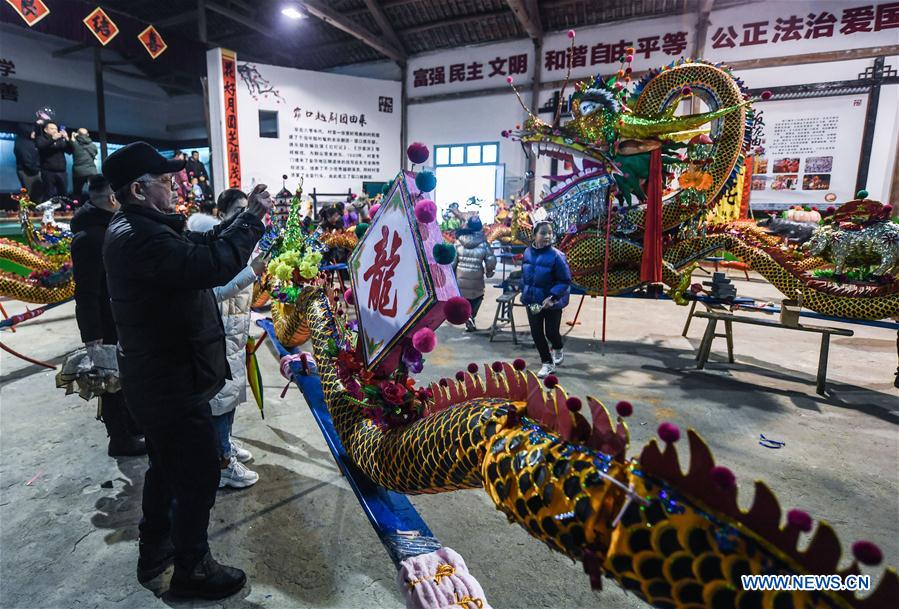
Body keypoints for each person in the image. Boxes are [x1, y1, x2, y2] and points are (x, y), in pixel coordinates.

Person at [102, 142, 269, 599]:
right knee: (196, 477)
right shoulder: (142, 237)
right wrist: (252, 219)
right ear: (138, 189)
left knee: (166, 470)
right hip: (170, 384)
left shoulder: (145, 227)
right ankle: (192, 568)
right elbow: (211, 263)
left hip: (162, 380)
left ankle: (155, 549)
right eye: (165, 180)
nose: (175, 184)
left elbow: (205, 243)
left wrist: (242, 221)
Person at [70, 175, 146, 457]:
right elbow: (86, 293)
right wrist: (92, 336)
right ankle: (119, 438)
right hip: (104, 321)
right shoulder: (89, 237)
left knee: (123, 378)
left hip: (119, 316)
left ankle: (130, 426)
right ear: (113, 199)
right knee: (109, 381)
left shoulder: (107, 226)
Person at [206, 188, 270, 490]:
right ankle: (220, 464)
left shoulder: (243, 244)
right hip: (217, 334)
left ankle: (224, 444)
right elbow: (213, 293)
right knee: (219, 400)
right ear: (221, 216)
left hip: (234, 331)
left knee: (229, 398)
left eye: (250, 210)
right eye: (239, 211)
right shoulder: (213, 247)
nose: (247, 217)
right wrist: (252, 272)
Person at [520, 221, 571, 378]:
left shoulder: (557, 256)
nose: (547, 236)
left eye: (550, 233)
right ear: (534, 235)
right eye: (543, 233)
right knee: (536, 332)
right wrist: (523, 290)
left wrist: (553, 297)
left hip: (551, 304)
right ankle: (547, 363)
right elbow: (525, 275)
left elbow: (565, 280)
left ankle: (558, 346)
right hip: (534, 303)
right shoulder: (528, 252)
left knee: (551, 332)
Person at [452, 216, 496, 332]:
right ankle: (471, 316)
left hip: (460, 278)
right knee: (477, 297)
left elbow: (453, 261)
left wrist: (451, 274)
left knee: (463, 300)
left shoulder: (458, 241)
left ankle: (467, 317)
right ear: (480, 227)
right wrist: (490, 270)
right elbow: (490, 259)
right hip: (476, 278)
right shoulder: (483, 242)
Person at [34, 121, 72, 200]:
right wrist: (53, 139)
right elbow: (41, 146)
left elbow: (70, 151)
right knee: (48, 194)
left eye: (56, 129)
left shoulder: (60, 140)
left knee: (64, 194)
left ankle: (63, 211)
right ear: (45, 130)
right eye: (52, 128)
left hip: (62, 171)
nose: (55, 130)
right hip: (48, 171)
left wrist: (67, 139)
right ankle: (49, 211)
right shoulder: (41, 138)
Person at [70, 128, 99, 200]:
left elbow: (72, 141)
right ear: (88, 134)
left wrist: (73, 136)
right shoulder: (93, 145)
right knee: (94, 191)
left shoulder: (75, 144)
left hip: (78, 172)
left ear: (78, 134)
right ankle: (96, 207)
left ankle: (76, 208)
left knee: (77, 192)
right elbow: (95, 153)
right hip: (91, 171)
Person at [14, 123, 40, 198]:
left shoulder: (29, 142)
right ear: (27, 132)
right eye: (32, 131)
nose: (34, 133)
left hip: (31, 170)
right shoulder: (22, 143)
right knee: (31, 195)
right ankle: (30, 209)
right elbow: (26, 160)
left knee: (34, 194)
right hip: (28, 172)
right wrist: (37, 170)